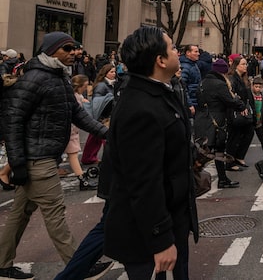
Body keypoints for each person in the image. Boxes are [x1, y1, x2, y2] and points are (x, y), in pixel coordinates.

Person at [0, 32, 108, 280]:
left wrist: (108, 133)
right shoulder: (35, 79)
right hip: (38, 161)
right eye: (67, 48)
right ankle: (78, 265)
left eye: (74, 48)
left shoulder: (59, 77)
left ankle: (2, 264)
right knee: (55, 212)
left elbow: (78, 115)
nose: (73, 52)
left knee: (20, 213)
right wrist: (16, 164)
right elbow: (13, 123)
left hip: (41, 158)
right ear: (50, 51)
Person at [103, 26, 198, 279]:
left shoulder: (158, 93)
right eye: (172, 47)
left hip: (168, 219)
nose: (177, 51)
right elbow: (144, 183)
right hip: (147, 232)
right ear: (160, 60)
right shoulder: (140, 108)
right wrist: (161, 239)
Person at [195, 59, 246, 189]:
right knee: (211, 152)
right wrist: (240, 103)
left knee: (209, 151)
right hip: (216, 123)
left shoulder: (203, 82)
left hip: (202, 119)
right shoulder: (219, 84)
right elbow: (230, 101)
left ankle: (222, 179)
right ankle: (193, 177)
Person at [226, 55, 255, 171]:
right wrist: (240, 107)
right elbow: (232, 96)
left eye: (245, 64)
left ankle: (239, 156)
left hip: (244, 110)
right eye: (243, 64)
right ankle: (230, 162)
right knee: (234, 137)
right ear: (236, 66)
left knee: (248, 132)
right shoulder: (233, 78)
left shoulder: (243, 78)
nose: (245, 66)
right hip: (235, 111)